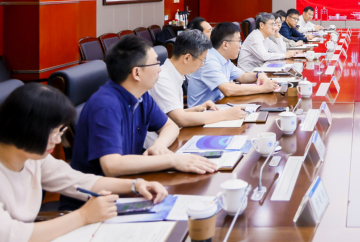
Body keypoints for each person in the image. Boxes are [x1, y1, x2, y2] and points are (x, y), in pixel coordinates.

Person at [0, 84, 168, 242]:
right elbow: (8, 241)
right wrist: (83, 216)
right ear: (27, 129)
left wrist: (135, 184)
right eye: (53, 132)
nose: (57, 141)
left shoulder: (30, 157)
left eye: (61, 131)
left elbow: (79, 181)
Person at [70, 36, 219, 181]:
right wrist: (172, 160)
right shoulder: (105, 106)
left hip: (131, 179)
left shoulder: (141, 95)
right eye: (155, 64)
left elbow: (170, 126)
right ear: (137, 73)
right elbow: (112, 166)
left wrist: (159, 145)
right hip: (100, 192)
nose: (159, 69)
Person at [146, 30, 246, 145]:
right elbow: (180, 119)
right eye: (202, 60)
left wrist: (196, 108)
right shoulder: (163, 79)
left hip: (175, 138)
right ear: (187, 58)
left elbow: (169, 114)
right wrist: (225, 114)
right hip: (159, 147)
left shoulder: (174, 75)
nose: (203, 64)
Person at [189, 22, 282, 107]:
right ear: (225, 44)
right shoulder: (209, 61)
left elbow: (242, 76)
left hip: (218, 106)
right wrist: (263, 89)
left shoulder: (223, 58)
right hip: (202, 114)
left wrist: (259, 75)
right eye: (238, 41)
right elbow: (228, 90)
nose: (241, 45)